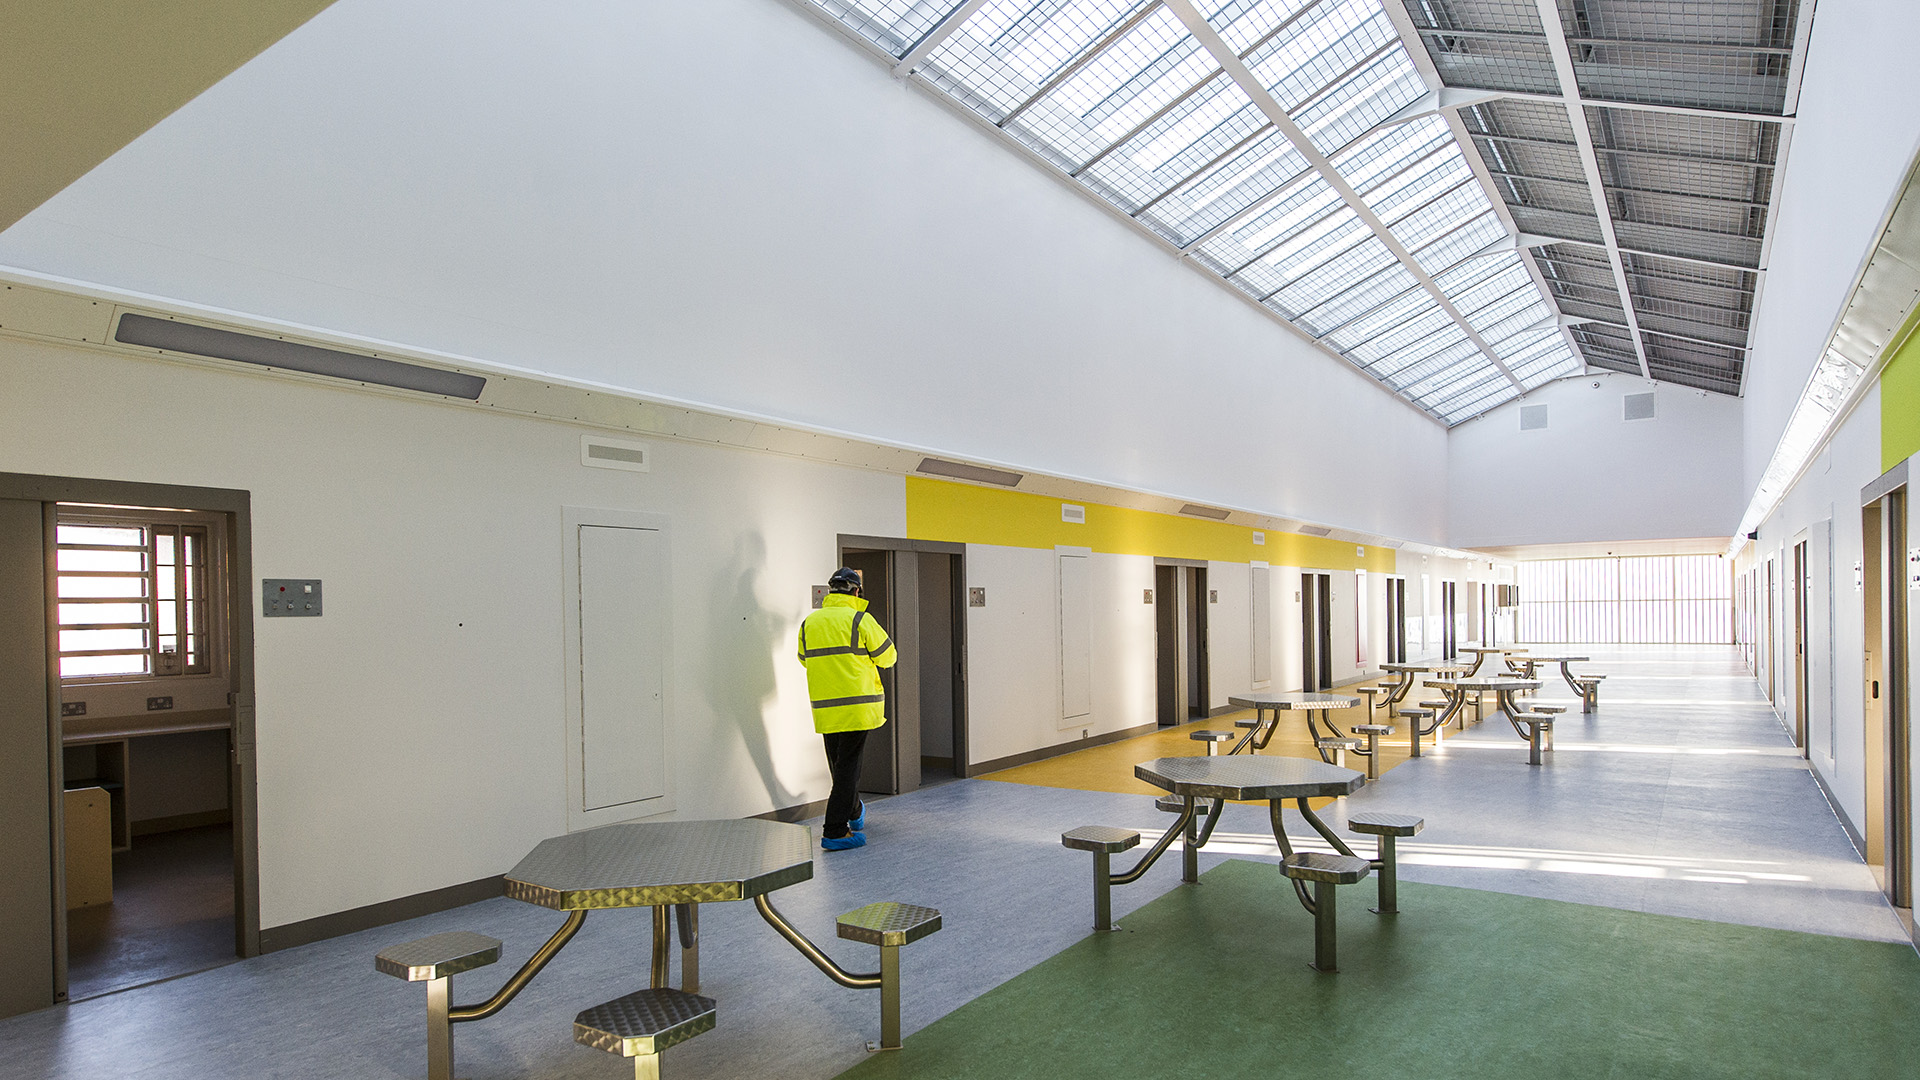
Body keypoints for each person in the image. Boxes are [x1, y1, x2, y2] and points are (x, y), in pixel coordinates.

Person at [797, 566, 896, 850]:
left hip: (826, 708)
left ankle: (853, 812)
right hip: (857, 706)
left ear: (830, 592)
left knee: (840, 767)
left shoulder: (810, 622)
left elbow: (804, 658)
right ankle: (835, 830)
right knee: (847, 770)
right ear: (856, 591)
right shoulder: (860, 620)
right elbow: (888, 656)